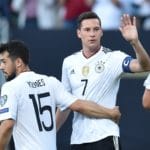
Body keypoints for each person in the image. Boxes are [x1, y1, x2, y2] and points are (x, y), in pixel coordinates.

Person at [0, 40, 121, 150]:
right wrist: (109, 113)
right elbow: (79, 105)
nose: (1, 67)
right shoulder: (50, 82)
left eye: (4, 62)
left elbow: (7, 125)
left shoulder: (11, 87)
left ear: (19, 62)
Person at [56, 11, 150, 150]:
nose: (92, 34)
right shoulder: (69, 62)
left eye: (96, 29)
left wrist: (135, 42)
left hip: (105, 136)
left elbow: (145, 66)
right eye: (87, 30)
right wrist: (51, 134)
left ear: (101, 32)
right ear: (79, 33)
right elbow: (64, 104)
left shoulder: (114, 58)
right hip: (78, 139)